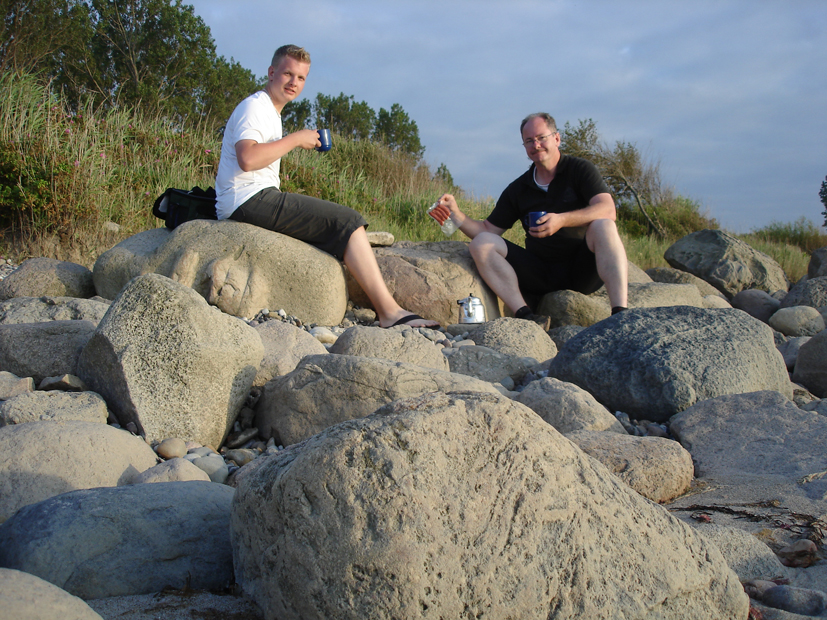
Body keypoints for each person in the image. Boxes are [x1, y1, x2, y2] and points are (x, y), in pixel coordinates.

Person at [215, 44, 439, 329]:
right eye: (287, 74)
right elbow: (247, 159)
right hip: (246, 199)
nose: (294, 82)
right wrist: (297, 139)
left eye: (301, 77)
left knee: (333, 224)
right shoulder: (255, 107)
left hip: (254, 197)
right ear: (271, 73)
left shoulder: (270, 111)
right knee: (348, 221)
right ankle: (389, 313)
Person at [431, 112, 628, 326]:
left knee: (604, 225)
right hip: (540, 272)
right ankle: (526, 315)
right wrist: (455, 214)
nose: (536, 145)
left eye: (541, 137)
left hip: (583, 270)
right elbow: (487, 230)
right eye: (529, 141)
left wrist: (562, 220)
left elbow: (608, 209)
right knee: (481, 244)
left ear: (556, 138)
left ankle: (620, 314)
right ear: (524, 146)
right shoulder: (519, 189)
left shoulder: (580, 170)